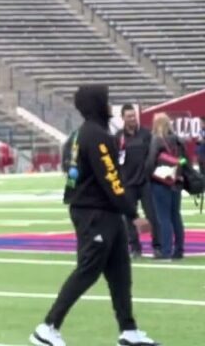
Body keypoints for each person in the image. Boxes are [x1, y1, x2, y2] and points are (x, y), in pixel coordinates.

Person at [29, 85, 159, 346]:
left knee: (120, 272)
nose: (110, 106)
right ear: (96, 104)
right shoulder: (96, 135)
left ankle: (128, 329)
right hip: (95, 213)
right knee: (88, 269)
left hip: (101, 211)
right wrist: (133, 214)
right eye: (106, 101)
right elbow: (110, 177)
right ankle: (48, 326)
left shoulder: (83, 133)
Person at [115, 104, 156, 258]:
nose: (132, 118)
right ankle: (135, 248)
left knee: (152, 216)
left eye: (134, 115)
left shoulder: (146, 134)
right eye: (129, 116)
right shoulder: (118, 137)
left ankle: (156, 246)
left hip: (145, 182)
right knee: (130, 218)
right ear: (123, 118)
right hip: (127, 183)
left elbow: (153, 155)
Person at [146, 113, 186, 261]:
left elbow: (151, 161)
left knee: (163, 217)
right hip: (176, 181)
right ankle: (179, 249)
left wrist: (148, 176)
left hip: (160, 182)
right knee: (176, 215)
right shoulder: (179, 139)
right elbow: (183, 160)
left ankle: (166, 250)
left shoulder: (156, 140)